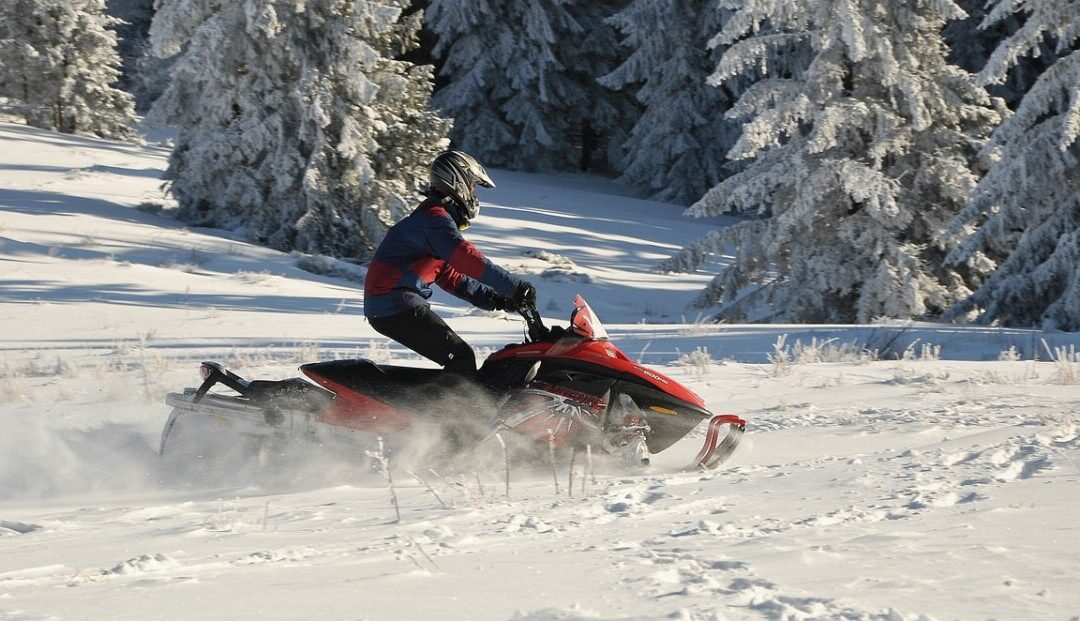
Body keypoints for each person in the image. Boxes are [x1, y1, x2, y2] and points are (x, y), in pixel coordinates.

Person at [363, 150, 536, 376]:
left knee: (459, 358)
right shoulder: (434, 220)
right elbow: (466, 258)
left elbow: (450, 276)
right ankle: (439, 411)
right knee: (461, 358)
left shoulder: (433, 219)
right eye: (474, 186)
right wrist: (515, 286)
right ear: (458, 182)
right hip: (394, 303)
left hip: (393, 303)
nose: (474, 195)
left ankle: (431, 404)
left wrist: (496, 299)